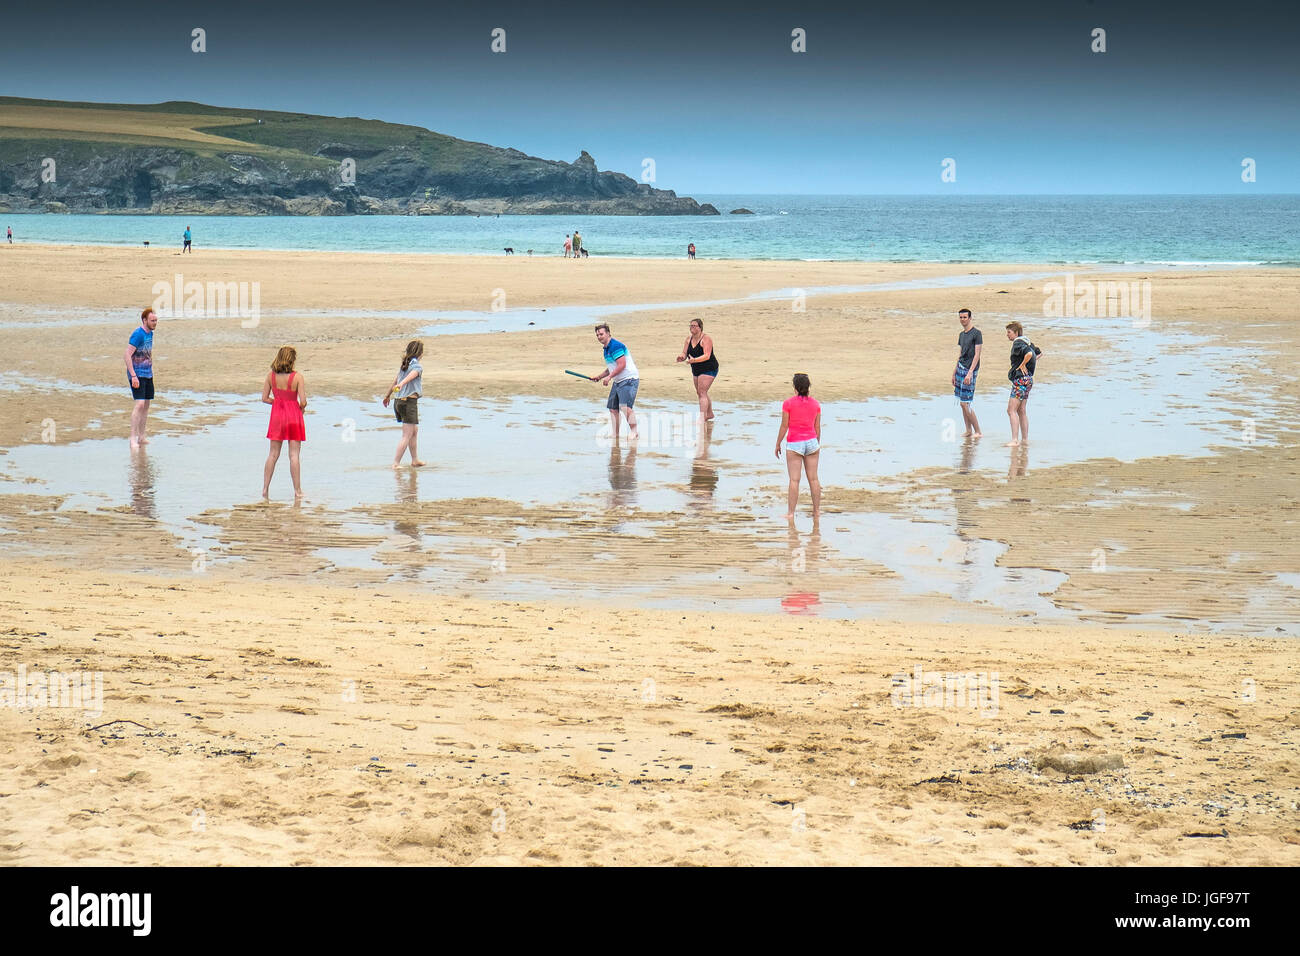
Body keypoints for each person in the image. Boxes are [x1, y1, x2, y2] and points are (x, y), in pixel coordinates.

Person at [775, 373, 821, 520]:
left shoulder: (788, 403)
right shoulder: (816, 404)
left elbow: (784, 426)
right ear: (808, 388)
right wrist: (816, 443)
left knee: (794, 480)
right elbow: (817, 427)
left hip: (795, 443)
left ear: (795, 388)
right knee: (813, 479)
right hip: (812, 442)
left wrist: (778, 443)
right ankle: (816, 511)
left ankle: (791, 513)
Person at [262, 346, 307, 498]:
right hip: (294, 416)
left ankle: (265, 489)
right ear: (291, 360)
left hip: (277, 415)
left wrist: (278, 402)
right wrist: (298, 408)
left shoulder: (270, 376)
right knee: (294, 455)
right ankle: (297, 491)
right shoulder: (298, 377)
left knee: (273, 454)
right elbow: (303, 401)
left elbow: (264, 398)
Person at [382, 340, 427, 468]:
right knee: (406, 435)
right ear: (420, 353)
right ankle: (396, 463)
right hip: (408, 402)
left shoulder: (404, 366)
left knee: (414, 431)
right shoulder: (416, 367)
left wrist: (387, 395)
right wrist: (401, 384)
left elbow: (395, 381)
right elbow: (411, 376)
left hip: (398, 402)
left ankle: (415, 460)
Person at [591, 323, 639, 442]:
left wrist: (609, 377)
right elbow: (611, 368)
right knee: (613, 408)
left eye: (601, 334)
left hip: (629, 379)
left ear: (608, 333)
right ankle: (615, 434)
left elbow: (622, 365)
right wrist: (600, 377)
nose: (599, 337)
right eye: (597, 335)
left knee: (625, 407)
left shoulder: (615, 346)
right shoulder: (606, 349)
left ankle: (634, 431)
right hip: (618, 380)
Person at [123, 307, 158, 449]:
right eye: (152, 320)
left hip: (148, 373)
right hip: (136, 374)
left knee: (146, 405)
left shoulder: (150, 333)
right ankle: (132, 438)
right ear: (145, 320)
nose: (155, 323)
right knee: (139, 404)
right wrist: (133, 375)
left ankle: (141, 437)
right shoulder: (138, 334)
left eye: (156, 320)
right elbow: (126, 355)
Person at [1004, 321, 1042, 447]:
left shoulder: (1018, 343)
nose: (1007, 335)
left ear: (1016, 333)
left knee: (1011, 410)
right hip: (1028, 379)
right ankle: (1025, 440)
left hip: (1020, 380)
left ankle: (1014, 440)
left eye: (1009, 332)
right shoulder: (1028, 342)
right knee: (1021, 410)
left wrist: (1022, 364)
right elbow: (1039, 353)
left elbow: (1030, 354)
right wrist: (1030, 363)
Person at [676, 318, 718, 421]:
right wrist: (682, 357)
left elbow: (707, 355)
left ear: (700, 327)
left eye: (694, 326)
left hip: (709, 368)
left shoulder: (706, 339)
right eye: (690, 326)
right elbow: (685, 353)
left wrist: (694, 360)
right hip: (696, 369)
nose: (692, 328)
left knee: (702, 392)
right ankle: (709, 414)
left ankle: (702, 418)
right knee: (700, 392)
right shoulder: (688, 339)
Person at [952, 308, 983, 438]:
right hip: (960, 367)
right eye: (961, 317)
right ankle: (968, 430)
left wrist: (970, 373)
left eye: (965, 317)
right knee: (961, 402)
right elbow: (960, 353)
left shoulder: (977, 333)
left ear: (970, 318)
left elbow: (977, 354)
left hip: (970, 370)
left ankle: (978, 431)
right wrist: (954, 371)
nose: (963, 320)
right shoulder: (961, 335)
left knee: (966, 402)